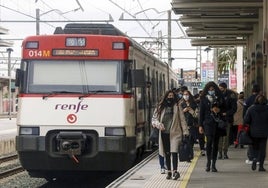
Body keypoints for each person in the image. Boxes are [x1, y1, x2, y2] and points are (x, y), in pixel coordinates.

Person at [152, 90, 189, 180]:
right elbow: (154, 119)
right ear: (165, 96)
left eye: (172, 95)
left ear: (174, 96)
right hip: (164, 133)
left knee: (174, 152)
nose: (170, 97)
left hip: (175, 133)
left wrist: (185, 132)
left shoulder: (177, 106)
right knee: (167, 153)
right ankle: (169, 171)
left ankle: (175, 171)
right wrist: (158, 124)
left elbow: (182, 119)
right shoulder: (160, 107)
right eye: (168, 95)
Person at [198, 81, 226, 172]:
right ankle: (208, 162)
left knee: (216, 144)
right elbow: (201, 113)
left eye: (213, 89)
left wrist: (219, 110)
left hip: (217, 123)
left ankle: (213, 163)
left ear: (215, 90)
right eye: (209, 89)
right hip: (207, 124)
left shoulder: (220, 98)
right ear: (207, 90)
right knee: (209, 142)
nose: (211, 91)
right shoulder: (203, 99)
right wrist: (200, 125)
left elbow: (225, 108)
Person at [244, 94, 268, 172]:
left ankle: (254, 159)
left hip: (253, 132)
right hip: (264, 132)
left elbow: (246, 120)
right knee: (262, 148)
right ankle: (261, 166)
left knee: (254, 147)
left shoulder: (251, 109)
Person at [218, 82, 237, 159]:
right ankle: (219, 153)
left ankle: (225, 152)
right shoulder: (217, 94)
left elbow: (234, 108)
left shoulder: (231, 95)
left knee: (226, 137)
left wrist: (227, 113)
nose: (220, 90)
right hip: (219, 119)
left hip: (227, 119)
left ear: (225, 88)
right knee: (219, 137)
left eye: (221, 88)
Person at [179, 89, 199, 161]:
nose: (186, 96)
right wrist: (183, 111)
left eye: (187, 94)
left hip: (191, 126)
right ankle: (186, 156)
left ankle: (189, 155)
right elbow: (177, 115)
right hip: (183, 126)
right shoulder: (180, 104)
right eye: (184, 94)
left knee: (191, 141)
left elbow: (196, 115)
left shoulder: (194, 104)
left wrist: (191, 110)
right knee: (185, 141)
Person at [243, 84, 261, 164]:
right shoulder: (263, 99)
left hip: (251, 124)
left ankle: (252, 157)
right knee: (261, 142)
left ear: (252, 90)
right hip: (262, 124)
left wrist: (245, 122)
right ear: (260, 91)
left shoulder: (248, 100)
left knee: (251, 141)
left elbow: (244, 112)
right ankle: (259, 158)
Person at [194, 91, 206, 156]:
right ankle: (202, 149)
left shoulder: (207, 102)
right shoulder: (196, 103)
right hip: (199, 123)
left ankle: (204, 148)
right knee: (201, 137)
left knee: (203, 137)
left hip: (205, 123)